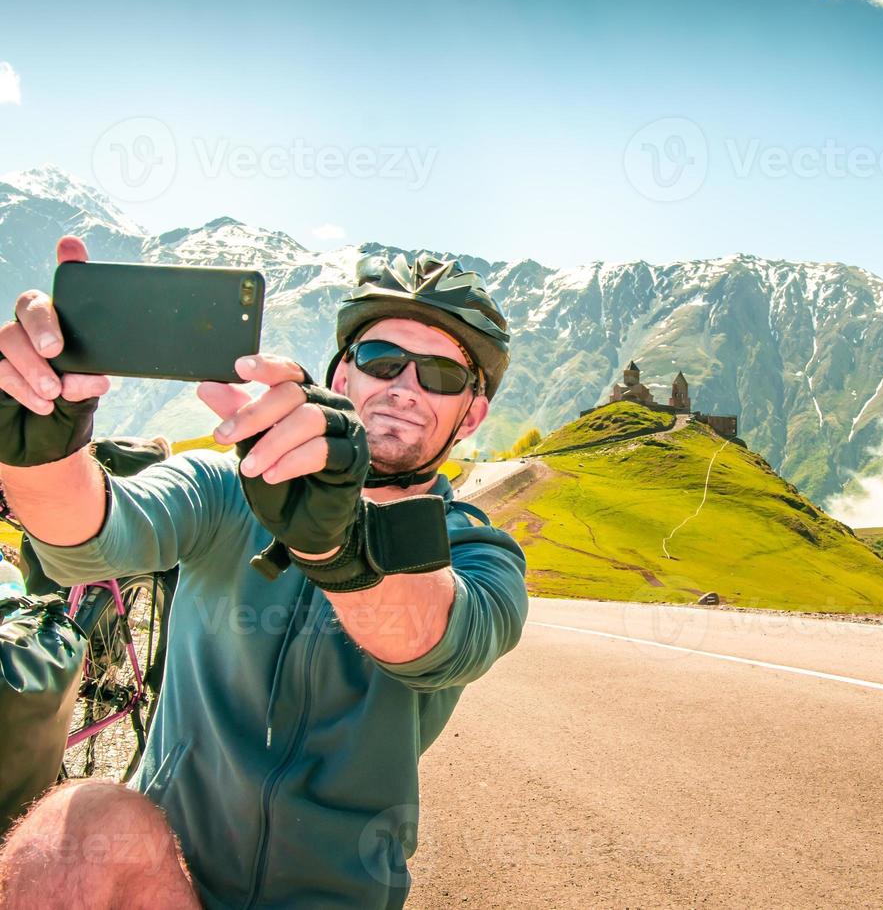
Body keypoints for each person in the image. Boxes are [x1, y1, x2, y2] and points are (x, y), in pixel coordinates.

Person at [0, 236, 528, 909]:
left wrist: (337, 544)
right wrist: (36, 452)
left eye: (442, 376)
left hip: (336, 899)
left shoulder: (482, 554)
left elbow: (430, 635)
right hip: (169, 880)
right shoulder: (229, 486)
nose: (404, 387)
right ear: (344, 380)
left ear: (472, 415)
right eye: (381, 359)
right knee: (68, 833)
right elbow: (92, 532)